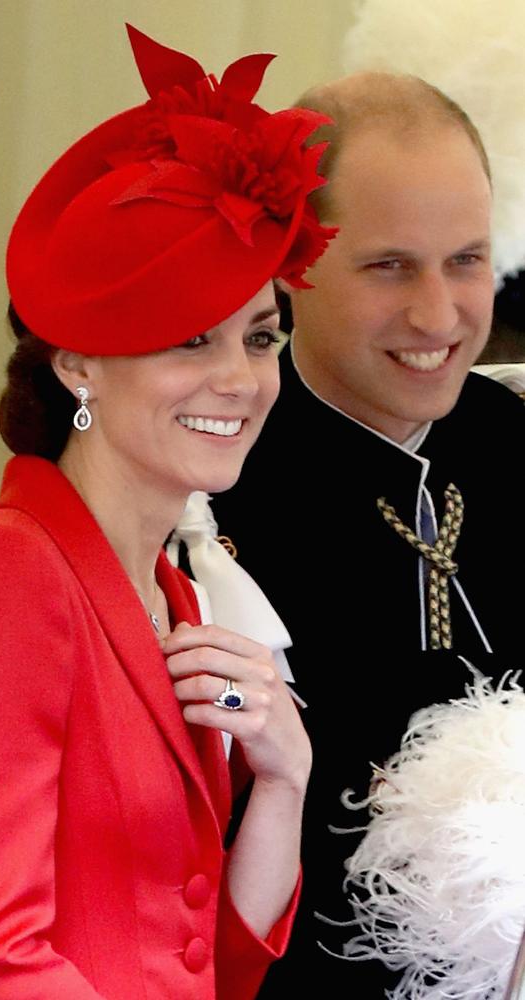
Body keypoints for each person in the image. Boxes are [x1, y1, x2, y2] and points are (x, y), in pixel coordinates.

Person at [0, 25, 336, 1000]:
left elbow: (208, 962)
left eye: (260, 337)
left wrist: (284, 776)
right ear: (77, 360)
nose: (238, 378)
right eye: (187, 334)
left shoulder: (168, 589)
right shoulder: (3, 578)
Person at [210, 71, 525, 995]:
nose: (438, 316)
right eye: (390, 266)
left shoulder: (513, 438)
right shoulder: (212, 493)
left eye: (466, 260)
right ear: (292, 268)